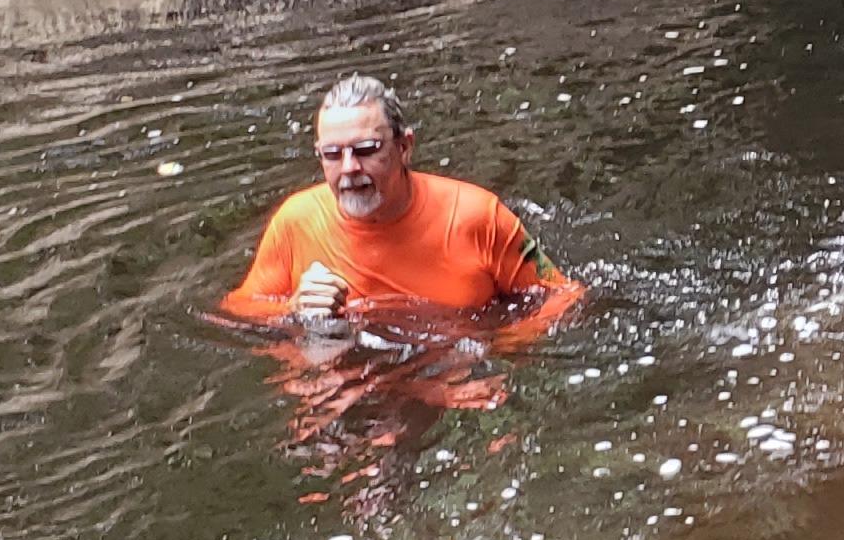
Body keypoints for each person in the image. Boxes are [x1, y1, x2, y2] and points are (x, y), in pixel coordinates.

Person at [222, 74, 586, 353]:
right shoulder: (297, 220)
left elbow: (563, 298)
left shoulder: (477, 216)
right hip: (344, 376)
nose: (348, 168)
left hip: (451, 377)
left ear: (405, 147)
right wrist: (292, 309)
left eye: (366, 149)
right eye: (332, 155)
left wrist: (489, 346)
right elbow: (238, 311)